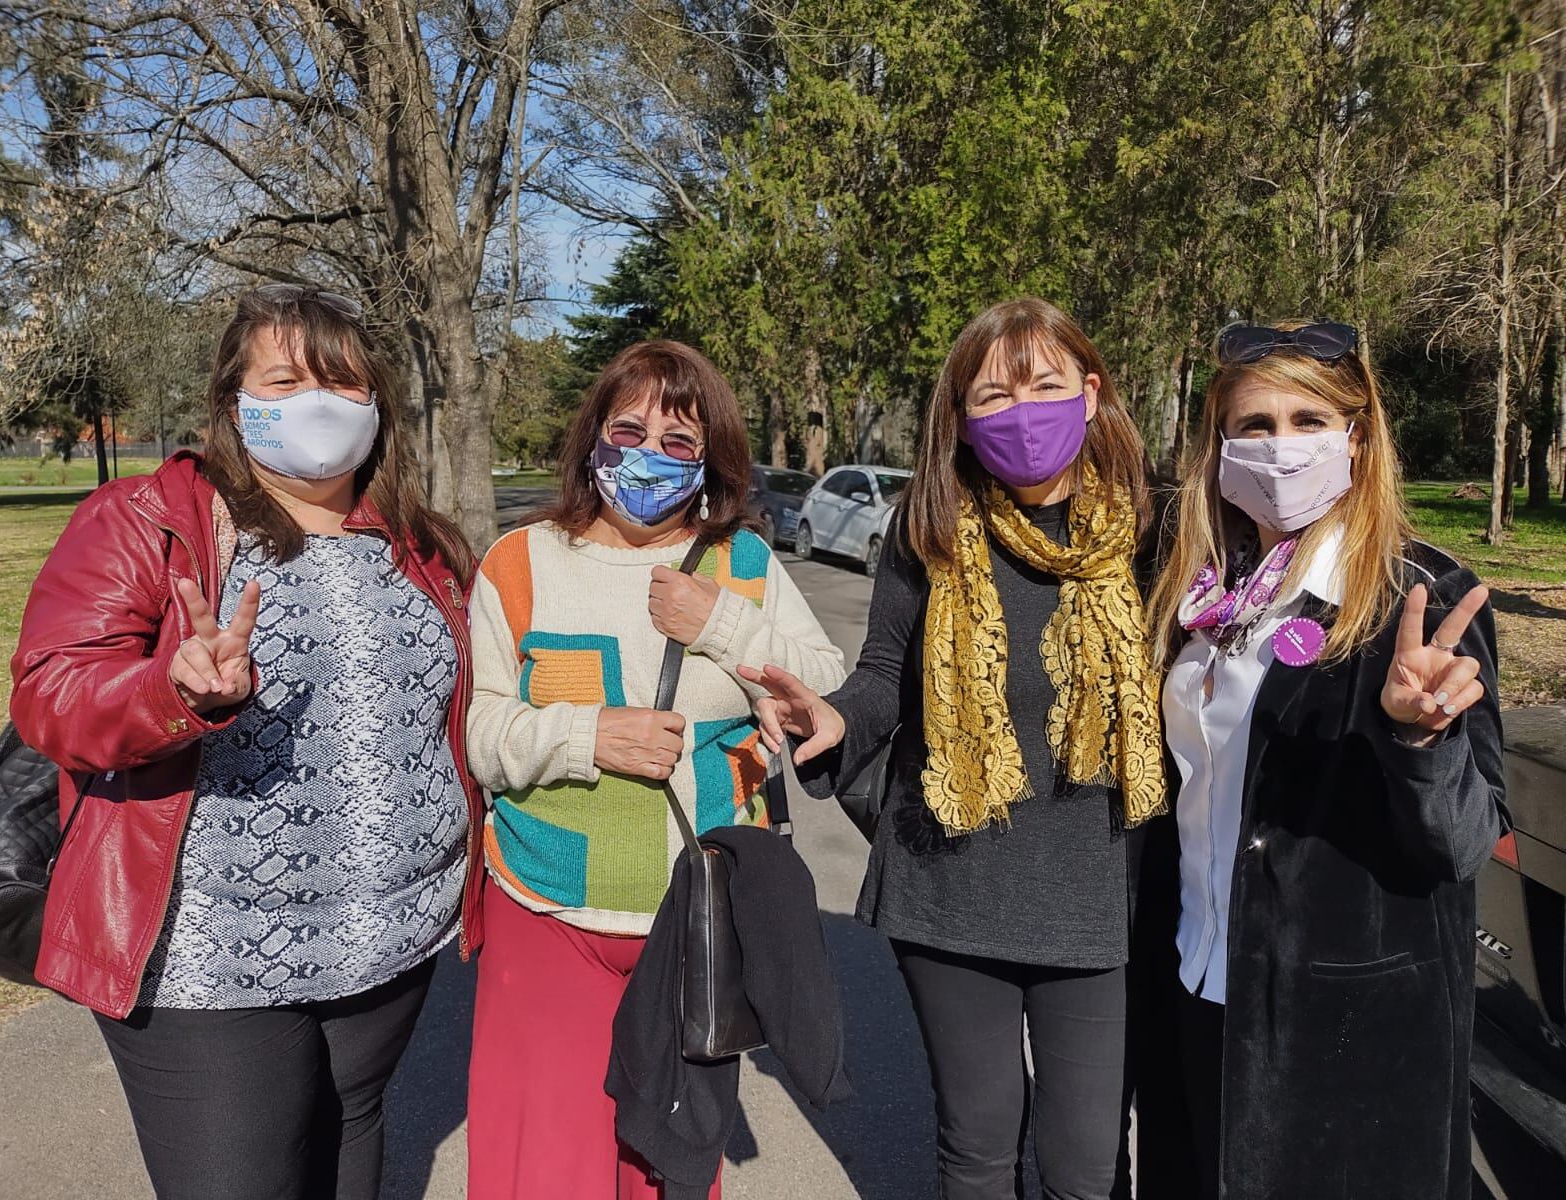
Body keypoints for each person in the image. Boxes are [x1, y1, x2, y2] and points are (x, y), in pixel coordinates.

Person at [9, 284, 482, 1200]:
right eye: (285, 379)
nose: (318, 403)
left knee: (351, 1148)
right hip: (211, 951)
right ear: (234, 400)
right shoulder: (149, 521)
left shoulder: (421, 545)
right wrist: (171, 687)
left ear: (377, 406)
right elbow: (50, 696)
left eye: (343, 384)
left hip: (389, 939)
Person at [747, 297, 1169, 1200]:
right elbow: (884, 673)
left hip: (1101, 898)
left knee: (1087, 1168)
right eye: (993, 398)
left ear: (1091, 394)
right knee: (976, 1152)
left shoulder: (1153, 529)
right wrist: (833, 718)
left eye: (1046, 387)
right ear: (962, 419)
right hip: (952, 887)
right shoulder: (927, 525)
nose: (1022, 415)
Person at [463, 339, 846, 1199]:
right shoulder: (519, 563)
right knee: (543, 1172)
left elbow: (826, 685)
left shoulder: (741, 564)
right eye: (627, 429)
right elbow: (481, 733)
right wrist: (585, 736)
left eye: (679, 443)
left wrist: (725, 625)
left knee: (666, 1173)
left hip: (694, 925)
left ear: (711, 462)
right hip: (545, 910)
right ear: (591, 434)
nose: (647, 456)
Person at [1133, 320, 1505, 1200]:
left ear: (1359, 436)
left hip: (1343, 1025)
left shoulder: (1419, 595)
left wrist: (1421, 739)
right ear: (1219, 446)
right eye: (1254, 426)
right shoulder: (1201, 592)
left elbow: (1462, 844)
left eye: (1309, 419)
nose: (1282, 446)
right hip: (1197, 979)